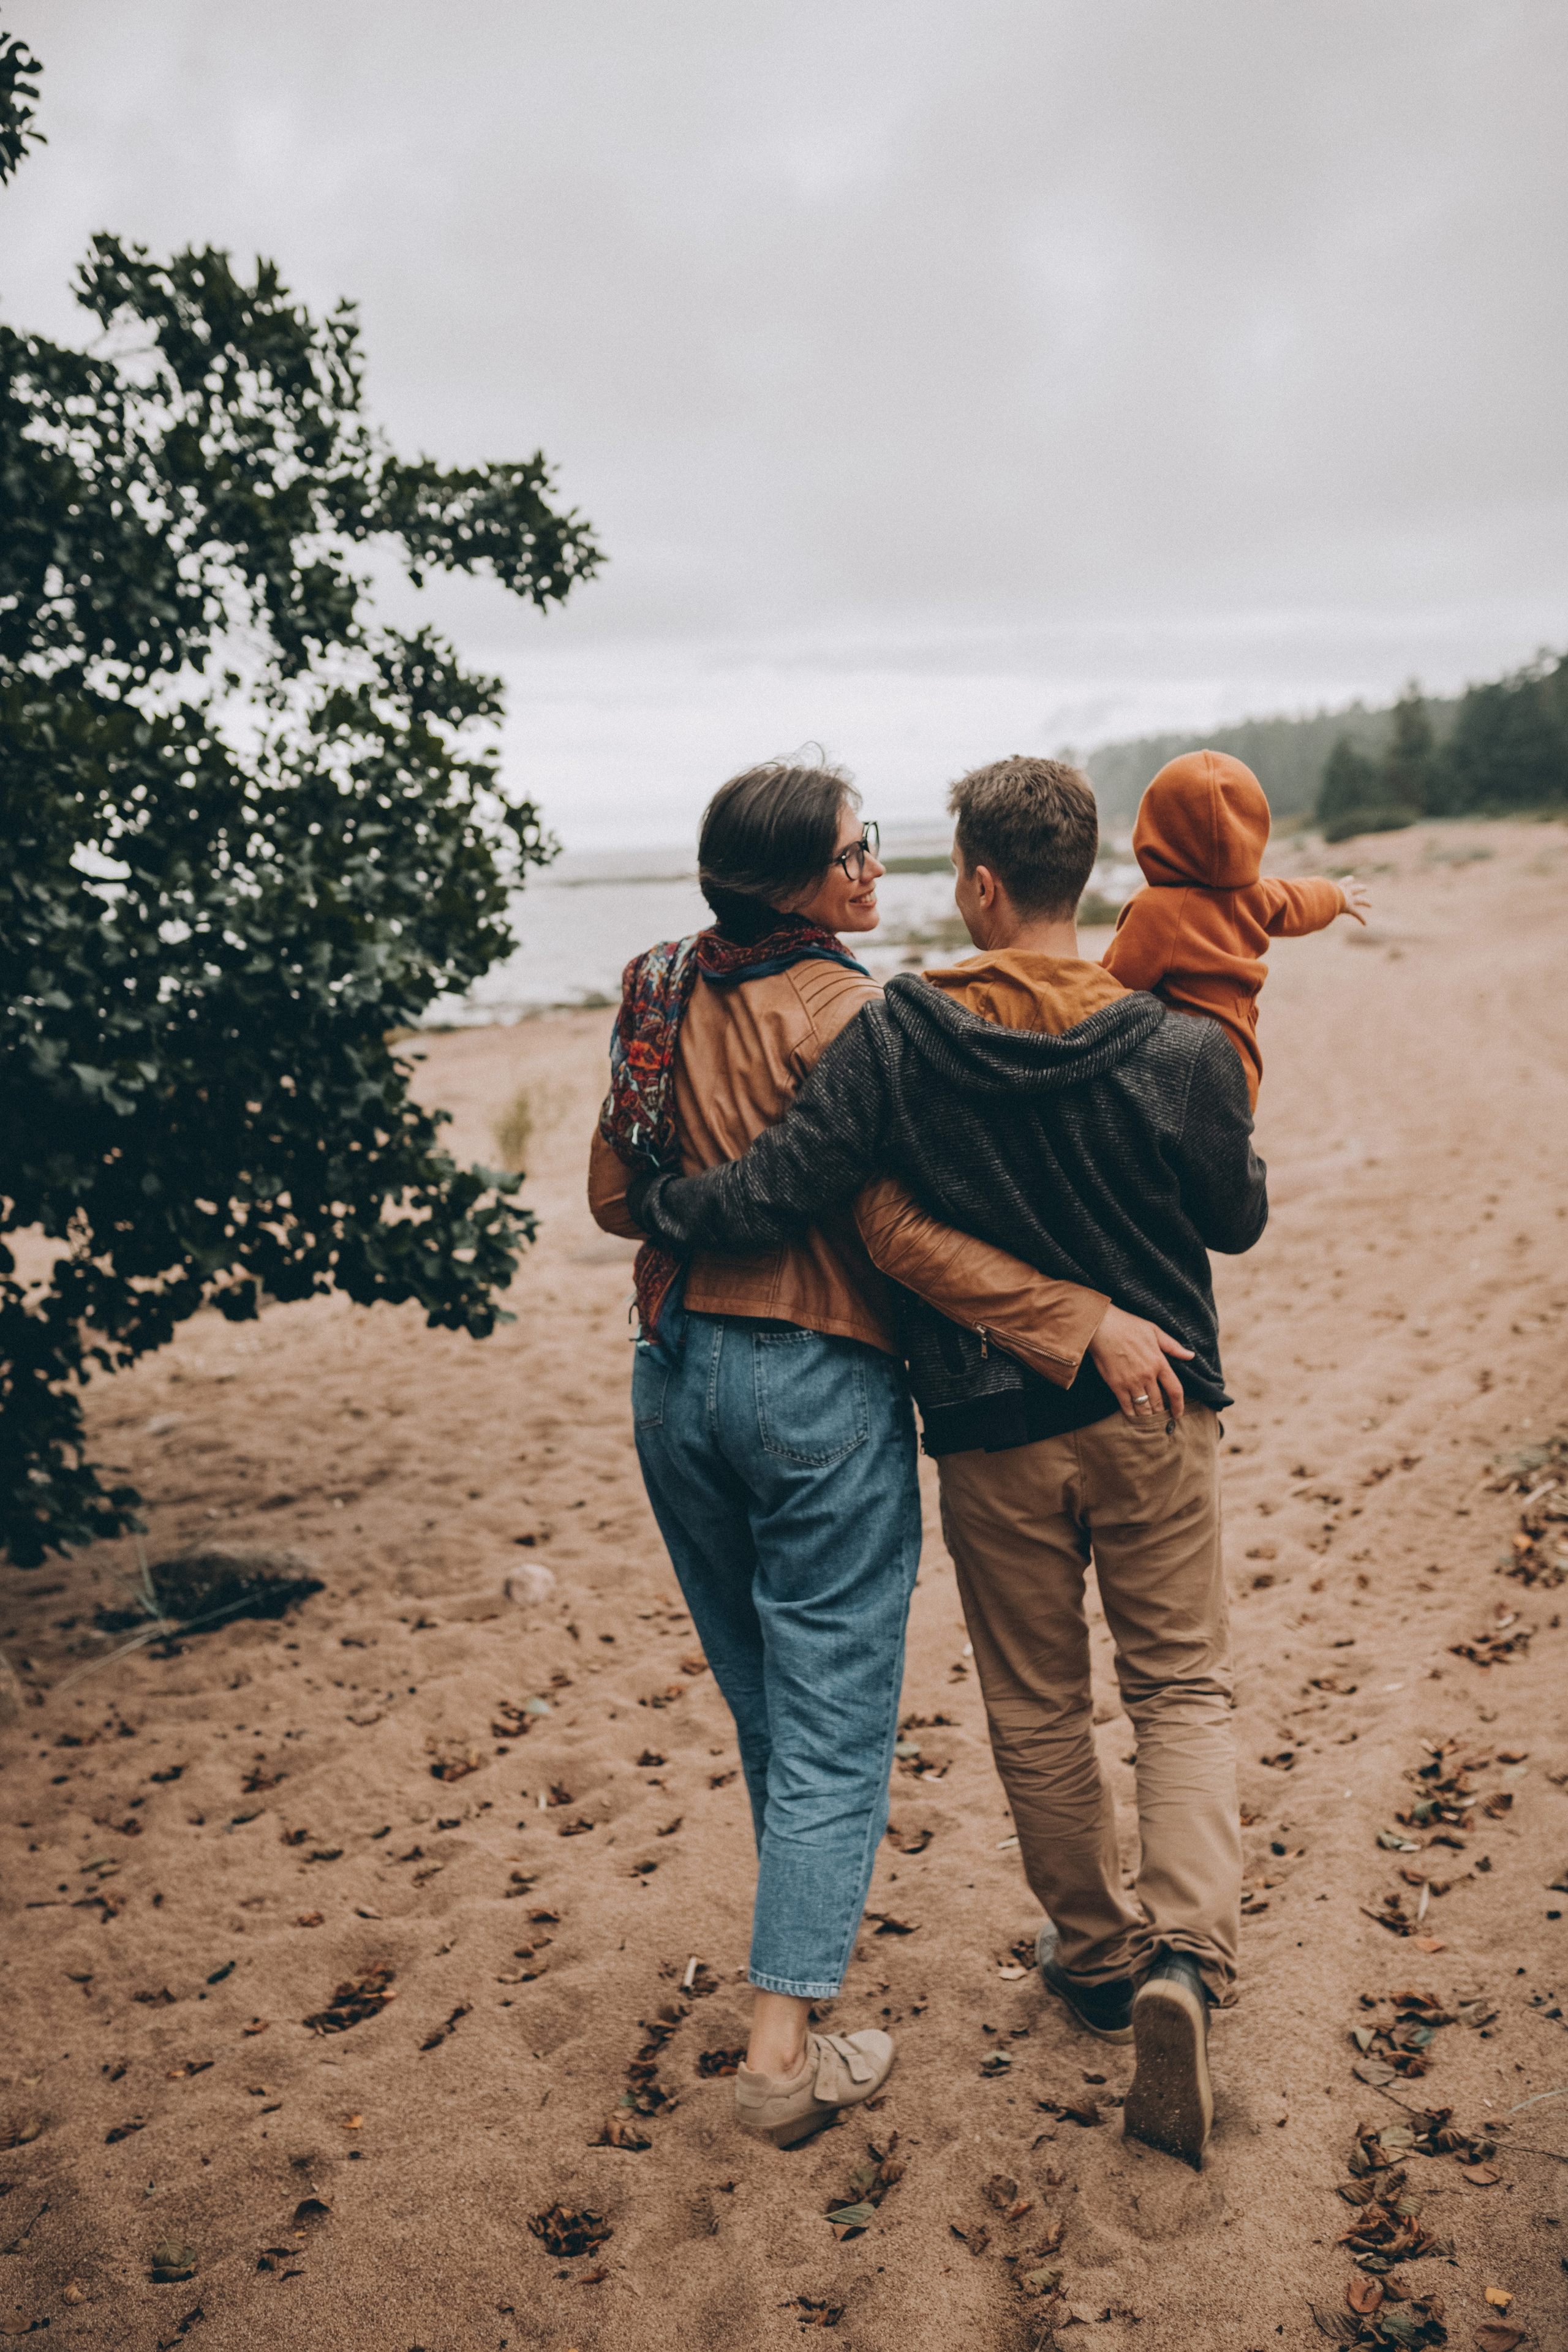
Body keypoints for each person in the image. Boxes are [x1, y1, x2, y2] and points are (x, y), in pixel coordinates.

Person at [624, 755, 1270, 2169]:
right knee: (1176, 1680)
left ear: (973, 880)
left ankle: (1092, 1953)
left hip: (983, 1424)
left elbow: (792, 1186)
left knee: (1038, 1696)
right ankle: (1185, 1959)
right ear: (1083, 877)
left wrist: (668, 1209)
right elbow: (1234, 1218)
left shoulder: (902, 1031)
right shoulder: (1171, 1046)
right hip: (1153, 1402)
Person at [1102, 748, 1371, 1107]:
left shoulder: (1156, 912)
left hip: (1185, 1071)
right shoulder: (1254, 896)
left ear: (1157, 827)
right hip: (1242, 1068)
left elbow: (1109, 990)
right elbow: (1300, 901)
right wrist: (1337, 896)